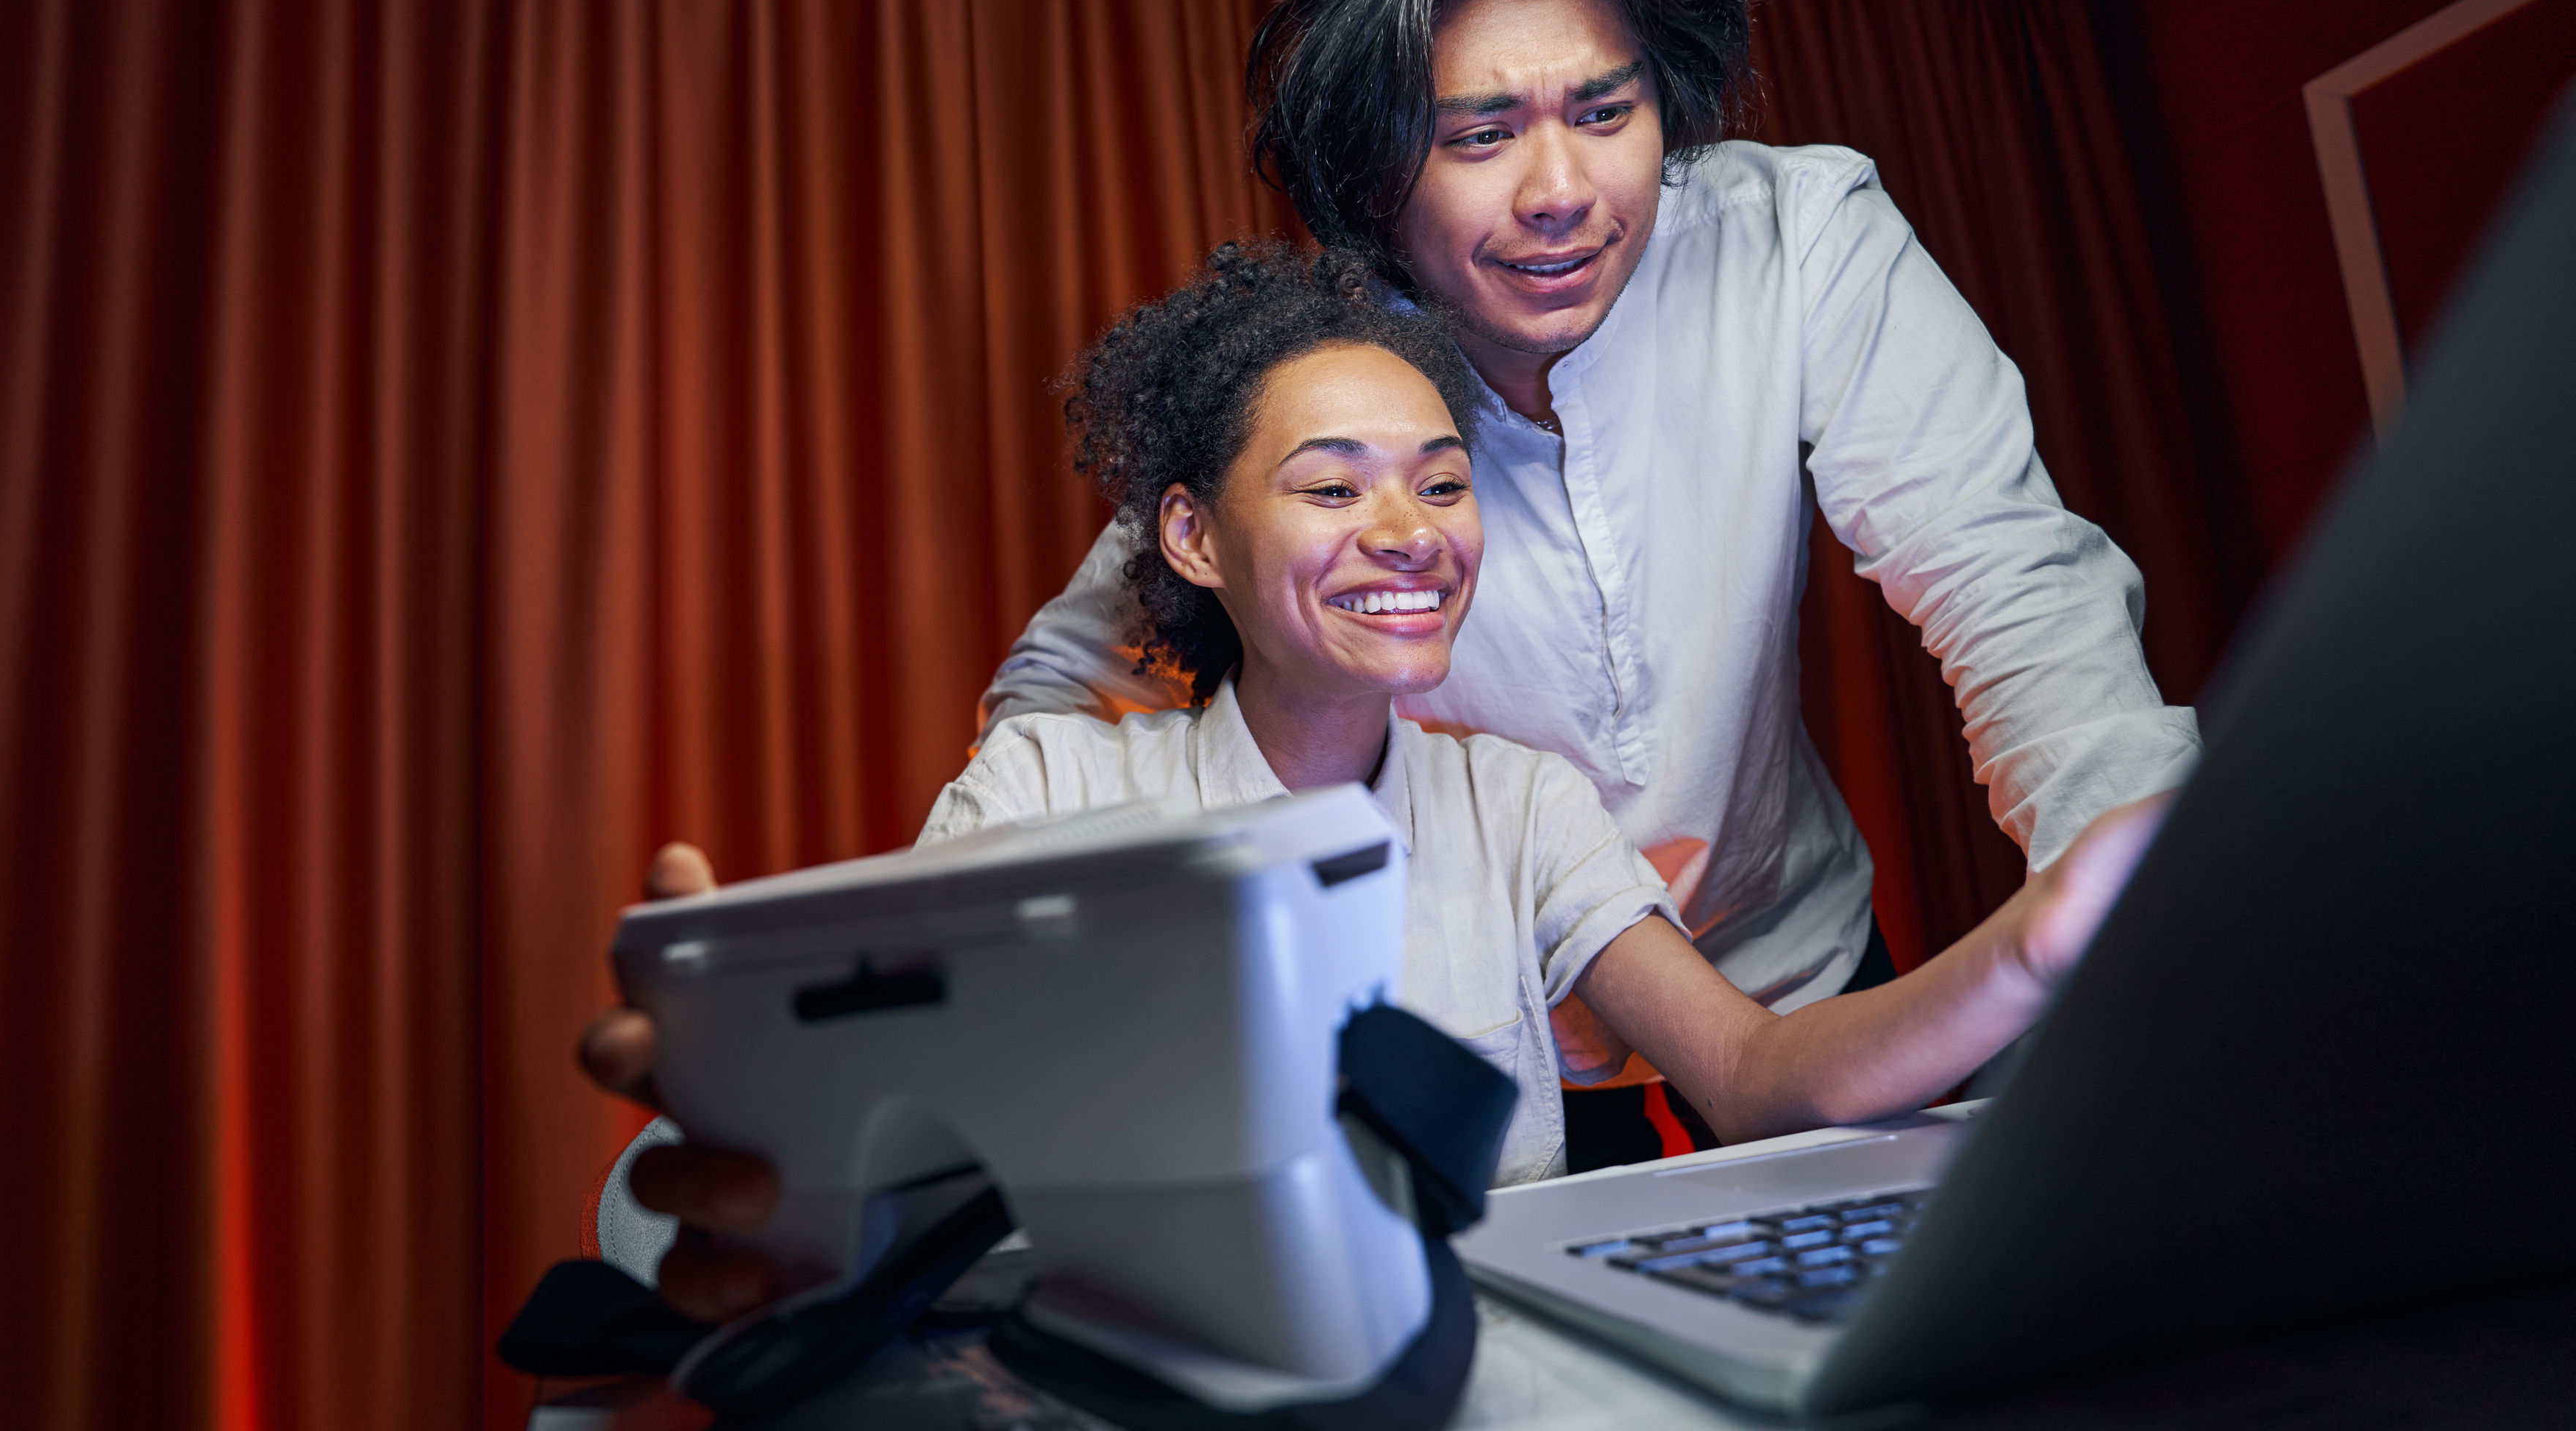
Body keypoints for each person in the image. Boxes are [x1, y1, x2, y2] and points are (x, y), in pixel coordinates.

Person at [580, 245, 2166, 1319]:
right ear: (1195, 539)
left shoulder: (1523, 807)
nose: (1409, 532)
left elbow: (1753, 1078)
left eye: (1444, 483)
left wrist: (2035, 944)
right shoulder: (1050, 782)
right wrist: (761, 1105)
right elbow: (885, 1147)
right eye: (1332, 485)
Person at [980, 0, 2202, 1095]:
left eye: (1606, 114)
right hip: (1486, 1029)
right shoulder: (1332, 383)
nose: (1561, 192)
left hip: (1795, 975)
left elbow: (2008, 584)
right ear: (1379, 181)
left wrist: (2138, 895)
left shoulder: (1797, 240)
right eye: (1481, 136)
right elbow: (1061, 691)